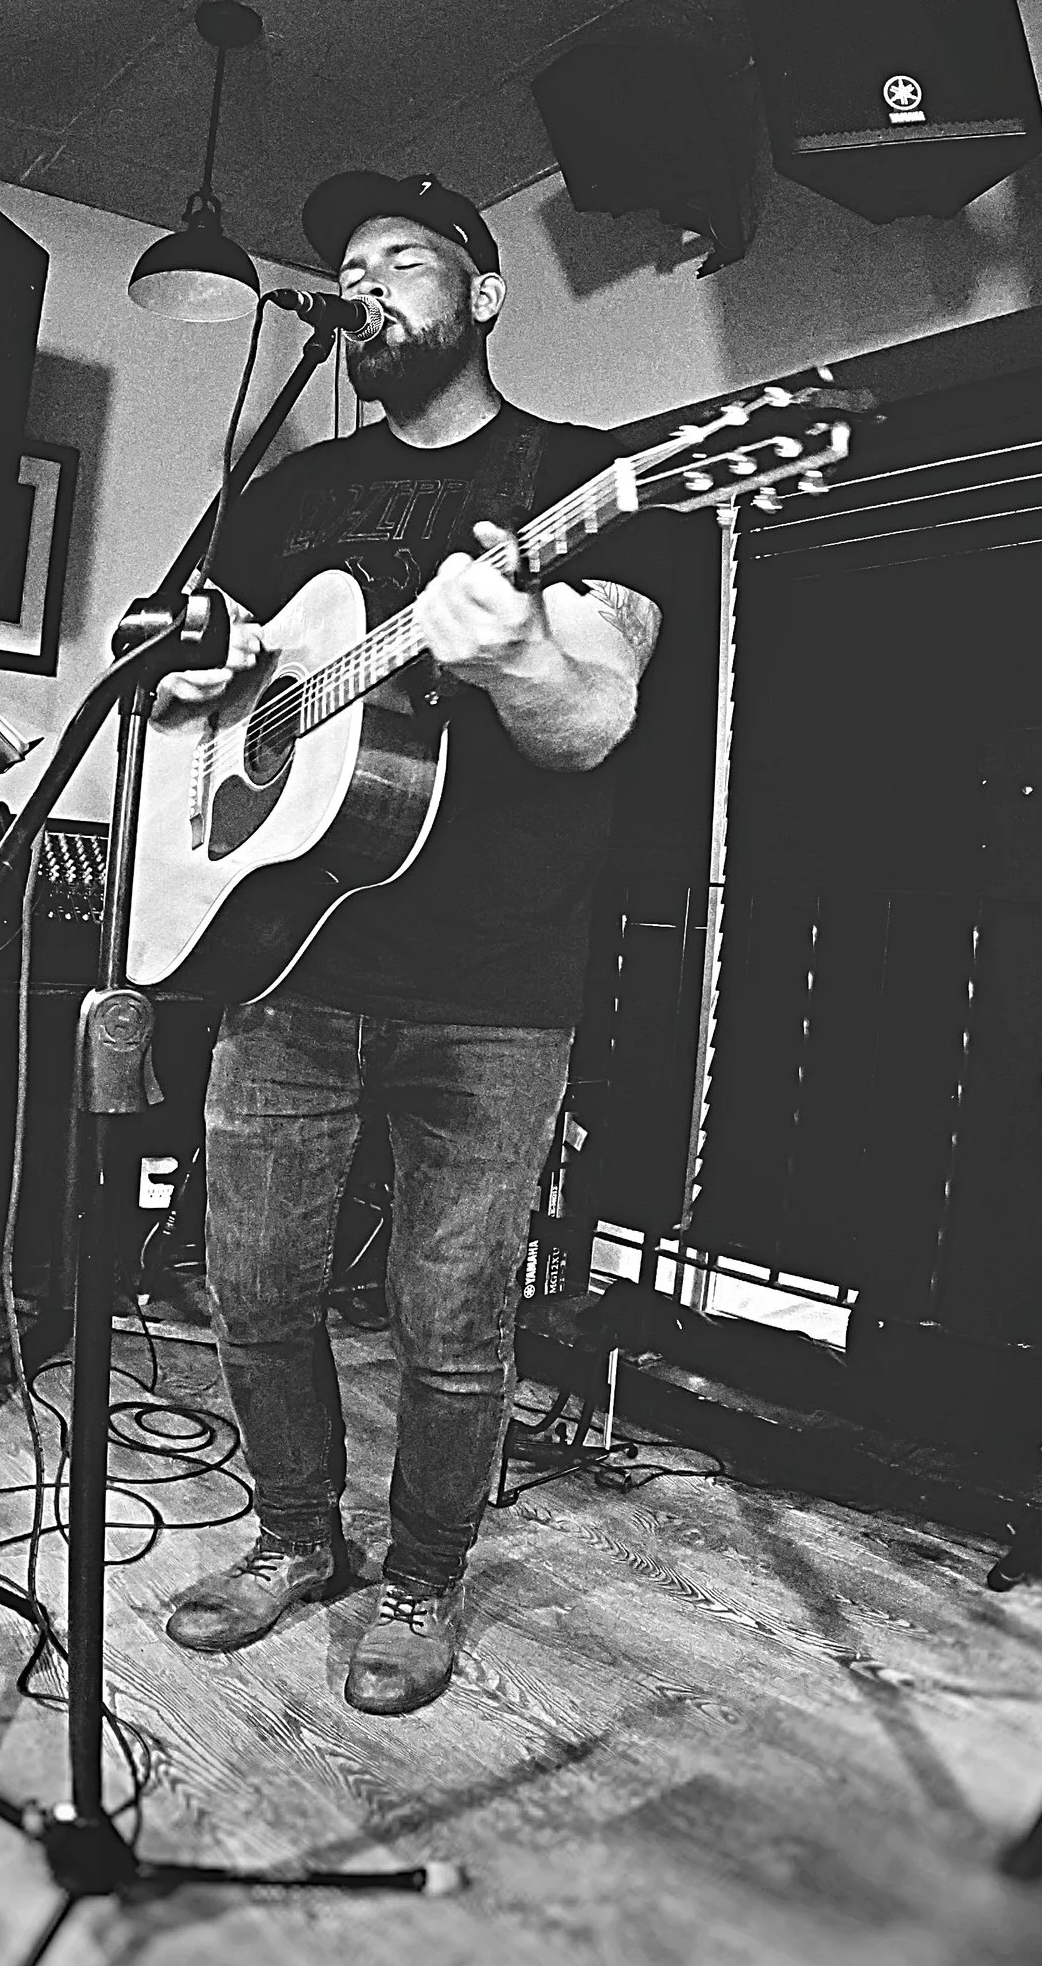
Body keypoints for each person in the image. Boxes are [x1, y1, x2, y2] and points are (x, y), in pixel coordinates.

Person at [154, 170, 670, 1715]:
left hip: (495, 987)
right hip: (285, 962)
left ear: (485, 295)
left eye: (404, 260)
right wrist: (199, 678)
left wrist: (516, 654)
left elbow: (594, 719)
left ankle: (423, 1575)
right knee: (253, 1284)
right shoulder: (290, 495)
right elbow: (197, 681)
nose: (368, 284)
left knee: (452, 1318)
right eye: (352, 267)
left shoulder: (578, 477)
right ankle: (294, 1534)